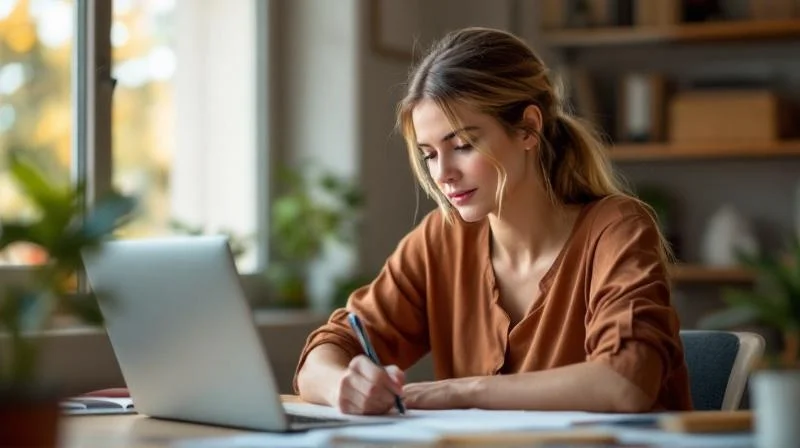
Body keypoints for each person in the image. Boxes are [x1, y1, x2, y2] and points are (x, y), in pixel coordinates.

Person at [294, 27, 692, 415]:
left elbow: (625, 382)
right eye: (429, 154)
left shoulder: (615, 228)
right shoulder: (441, 239)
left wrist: (463, 391)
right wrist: (343, 385)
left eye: (463, 145)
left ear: (528, 129)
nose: (443, 173)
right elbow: (325, 354)